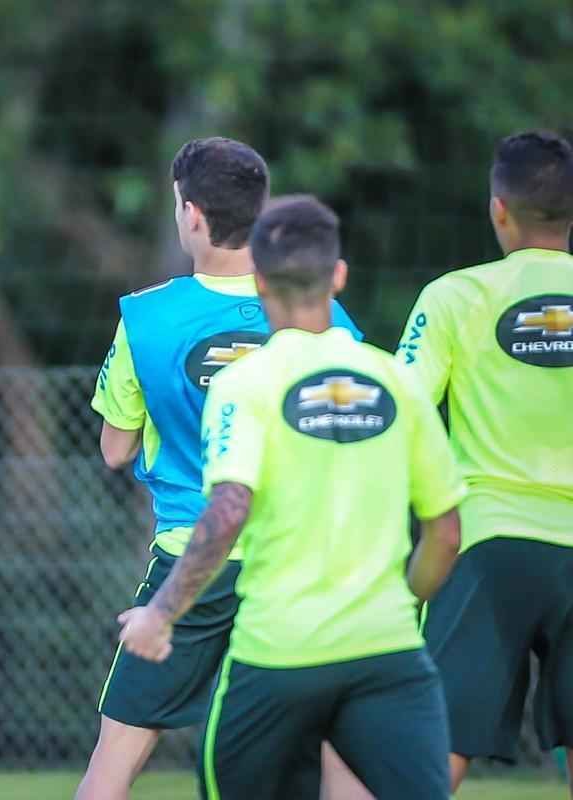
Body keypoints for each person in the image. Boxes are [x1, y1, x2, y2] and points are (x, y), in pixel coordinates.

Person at [117, 196, 465, 799]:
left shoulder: (243, 384)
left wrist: (160, 614)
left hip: (278, 657)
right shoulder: (396, 378)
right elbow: (447, 532)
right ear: (339, 276)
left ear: (258, 281)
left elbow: (227, 511)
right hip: (387, 654)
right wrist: (403, 600)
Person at [77, 139, 362, 800]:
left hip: (187, 558)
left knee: (113, 762)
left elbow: (113, 451)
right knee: (331, 755)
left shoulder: (143, 318)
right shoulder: (326, 315)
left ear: (192, 216)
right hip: (296, 563)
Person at [396, 129, 573, 795]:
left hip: (486, 541)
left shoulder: (453, 296)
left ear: (498, 207)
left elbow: (401, 410)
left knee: (431, 750)